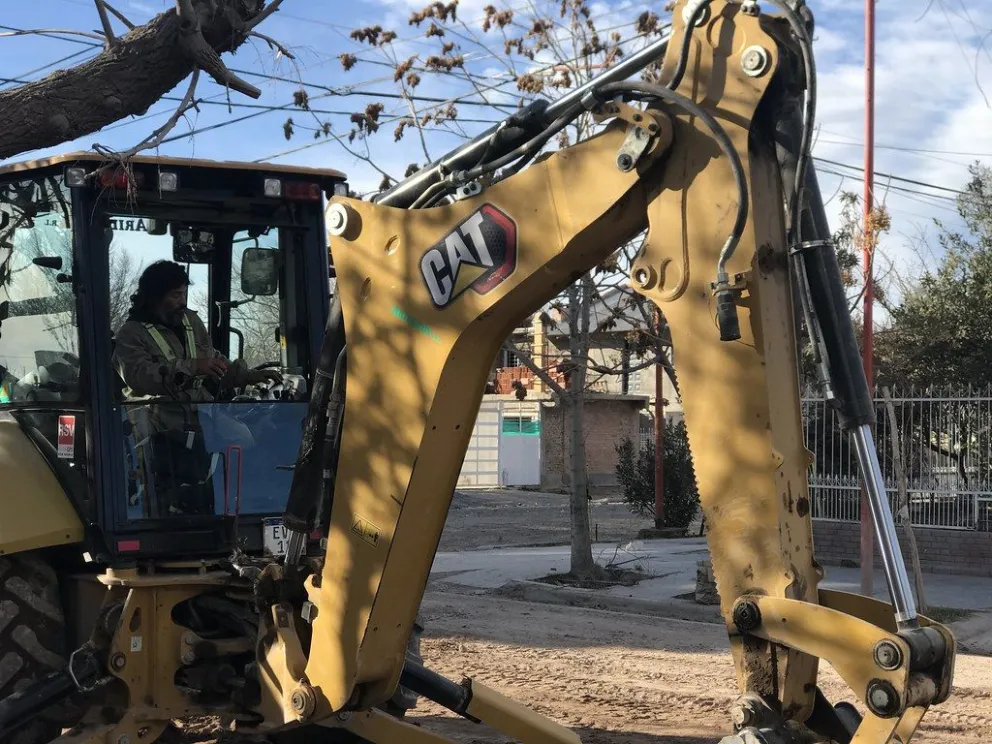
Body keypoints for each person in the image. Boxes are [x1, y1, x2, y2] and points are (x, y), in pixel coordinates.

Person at [114, 260, 282, 516]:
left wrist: (246, 376)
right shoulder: (131, 334)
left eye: (184, 293)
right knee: (160, 464)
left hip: (201, 412)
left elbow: (213, 360)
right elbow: (138, 377)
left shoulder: (191, 321)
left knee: (243, 439)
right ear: (155, 297)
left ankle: (233, 510)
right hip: (158, 417)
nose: (183, 301)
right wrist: (192, 367)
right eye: (175, 295)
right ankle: (161, 515)